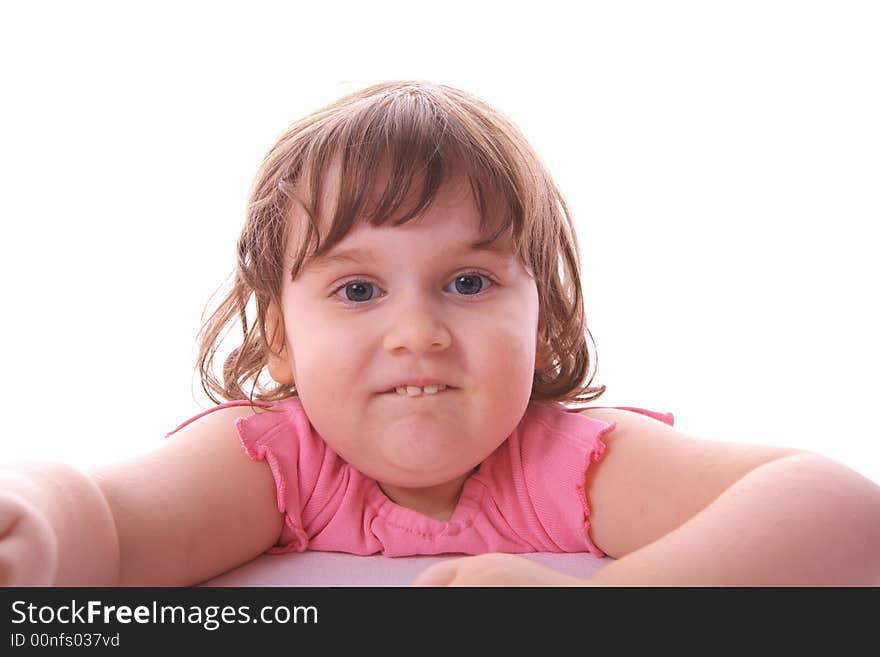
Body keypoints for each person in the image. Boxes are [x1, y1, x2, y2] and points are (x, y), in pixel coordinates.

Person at [2, 81, 878, 587]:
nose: (416, 331)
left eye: (468, 282)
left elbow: (840, 511)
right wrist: (30, 523)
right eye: (357, 288)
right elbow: (107, 521)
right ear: (279, 336)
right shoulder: (274, 461)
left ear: (545, 323)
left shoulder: (562, 461)